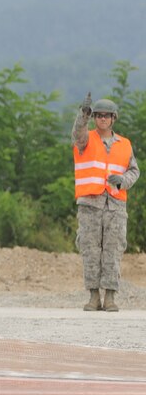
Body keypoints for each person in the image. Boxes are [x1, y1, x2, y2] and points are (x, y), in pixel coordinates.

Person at [71, 93, 139, 312]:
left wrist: (123, 181)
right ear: (94, 118)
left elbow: (134, 170)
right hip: (90, 204)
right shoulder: (86, 139)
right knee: (90, 249)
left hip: (115, 205)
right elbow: (76, 135)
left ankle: (110, 297)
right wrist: (83, 116)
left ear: (113, 119)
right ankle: (93, 297)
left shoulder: (125, 145)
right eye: (98, 115)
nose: (102, 119)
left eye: (106, 116)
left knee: (113, 249)